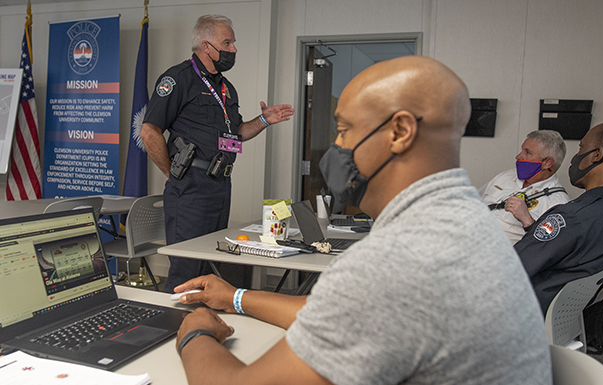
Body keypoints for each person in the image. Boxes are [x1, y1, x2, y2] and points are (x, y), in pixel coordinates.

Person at [172, 56, 551, 385]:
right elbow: (347, 312)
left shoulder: (399, 262)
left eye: (344, 130)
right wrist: (235, 297)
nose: (336, 149)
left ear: (400, 131)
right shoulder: (464, 221)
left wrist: (196, 332)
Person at [140, 15, 294, 292]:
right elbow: (149, 131)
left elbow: (236, 134)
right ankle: (173, 327)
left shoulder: (225, 88)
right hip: (190, 186)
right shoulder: (178, 79)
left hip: (220, 184)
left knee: (210, 264)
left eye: (233, 43)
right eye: (228, 42)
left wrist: (264, 119)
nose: (234, 49)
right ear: (206, 46)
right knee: (186, 270)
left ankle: (203, 323)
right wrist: (172, 173)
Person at [514, 121, 603, 314]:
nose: (575, 158)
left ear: (597, 155)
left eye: (581, 149)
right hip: (555, 318)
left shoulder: (573, 218)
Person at [478, 130, 570, 244]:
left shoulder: (558, 203)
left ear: (548, 162)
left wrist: (528, 221)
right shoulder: (507, 175)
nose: (518, 156)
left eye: (528, 152)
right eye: (522, 150)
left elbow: (549, 249)